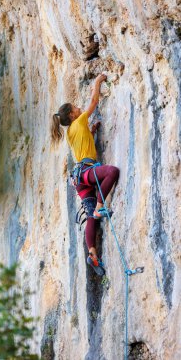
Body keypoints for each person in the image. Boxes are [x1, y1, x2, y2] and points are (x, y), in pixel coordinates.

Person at [51, 74, 119, 276]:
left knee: (90, 218)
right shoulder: (79, 120)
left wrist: (93, 131)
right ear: (72, 115)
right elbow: (94, 102)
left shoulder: (72, 131)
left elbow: (83, 143)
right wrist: (97, 82)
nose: (80, 109)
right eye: (76, 108)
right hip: (87, 172)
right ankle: (100, 208)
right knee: (112, 172)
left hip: (79, 177)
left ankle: (92, 253)